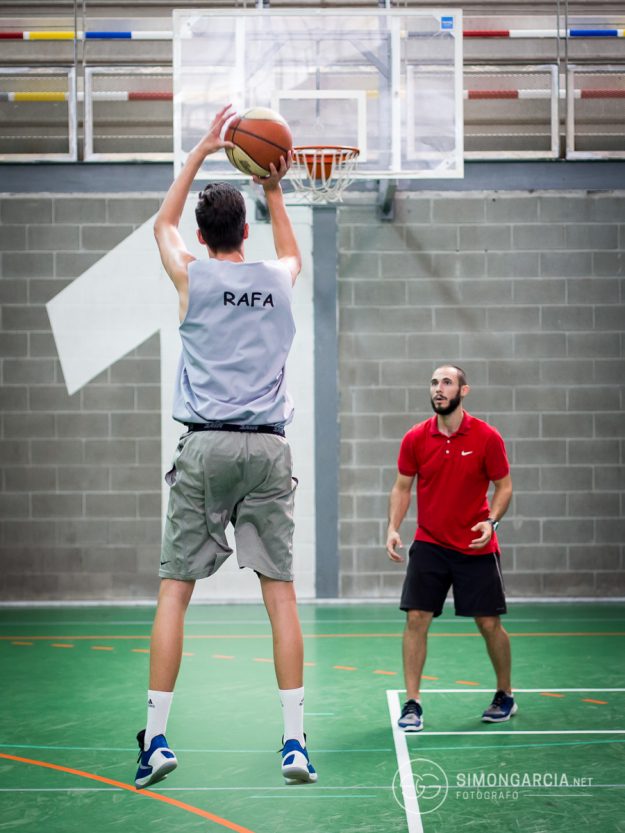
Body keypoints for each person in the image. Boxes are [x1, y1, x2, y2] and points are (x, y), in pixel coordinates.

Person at [134, 105, 316, 788]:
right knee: (281, 596)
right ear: (245, 230)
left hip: (206, 446)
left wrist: (202, 150)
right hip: (267, 450)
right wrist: (273, 184)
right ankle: (294, 743)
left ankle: (156, 739)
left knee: (175, 592)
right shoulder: (276, 277)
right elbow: (293, 253)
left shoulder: (192, 275)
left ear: (204, 234)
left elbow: (161, 225)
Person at [386, 364, 514, 732]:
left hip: (475, 543)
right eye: (434, 383)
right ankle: (413, 702)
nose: (438, 389)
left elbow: (504, 486)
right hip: (430, 542)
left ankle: (505, 693)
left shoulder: (486, 437)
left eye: (446, 382)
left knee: (489, 623)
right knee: (416, 618)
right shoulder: (416, 437)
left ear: (463, 390)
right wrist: (393, 527)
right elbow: (402, 487)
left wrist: (491, 521)